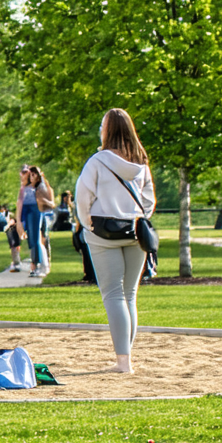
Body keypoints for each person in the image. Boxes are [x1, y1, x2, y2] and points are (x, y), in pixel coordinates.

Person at [75, 108, 155, 374]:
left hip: (103, 232)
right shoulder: (141, 163)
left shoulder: (98, 161)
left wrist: (87, 225)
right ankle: (126, 357)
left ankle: (123, 362)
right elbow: (148, 201)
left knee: (113, 295)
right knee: (129, 294)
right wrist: (137, 217)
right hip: (135, 232)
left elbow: (83, 198)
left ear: (107, 130)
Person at [19, 166, 53, 277]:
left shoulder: (39, 187)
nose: (30, 176)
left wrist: (42, 200)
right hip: (29, 211)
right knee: (33, 240)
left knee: (36, 240)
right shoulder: (26, 187)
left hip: (36, 211)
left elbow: (48, 202)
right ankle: (37, 265)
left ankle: (40, 265)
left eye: (33, 174)